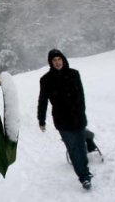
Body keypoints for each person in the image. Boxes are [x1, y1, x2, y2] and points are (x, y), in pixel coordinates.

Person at [37, 49, 93, 190]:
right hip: (62, 120)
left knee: (81, 146)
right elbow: (43, 101)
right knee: (73, 148)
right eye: (54, 60)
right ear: (51, 62)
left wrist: (82, 112)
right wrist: (41, 120)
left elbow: (81, 96)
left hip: (78, 117)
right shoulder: (46, 80)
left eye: (59, 59)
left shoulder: (74, 74)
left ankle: (84, 169)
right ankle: (84, 177)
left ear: (63, 59)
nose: (57, 62)